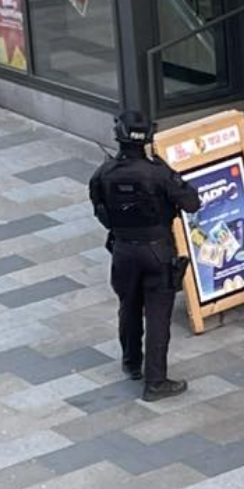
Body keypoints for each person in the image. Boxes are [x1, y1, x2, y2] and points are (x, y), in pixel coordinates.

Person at [89, 110, 200, 402]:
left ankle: (130, 363)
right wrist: (169, 171)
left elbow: (99, 210)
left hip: (123, 249)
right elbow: (191, 203)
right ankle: (156, 382)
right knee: (158, 314)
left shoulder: (104, 173)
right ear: (148, 138)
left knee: (128, 305)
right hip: (157, 249)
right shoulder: (158, 173)